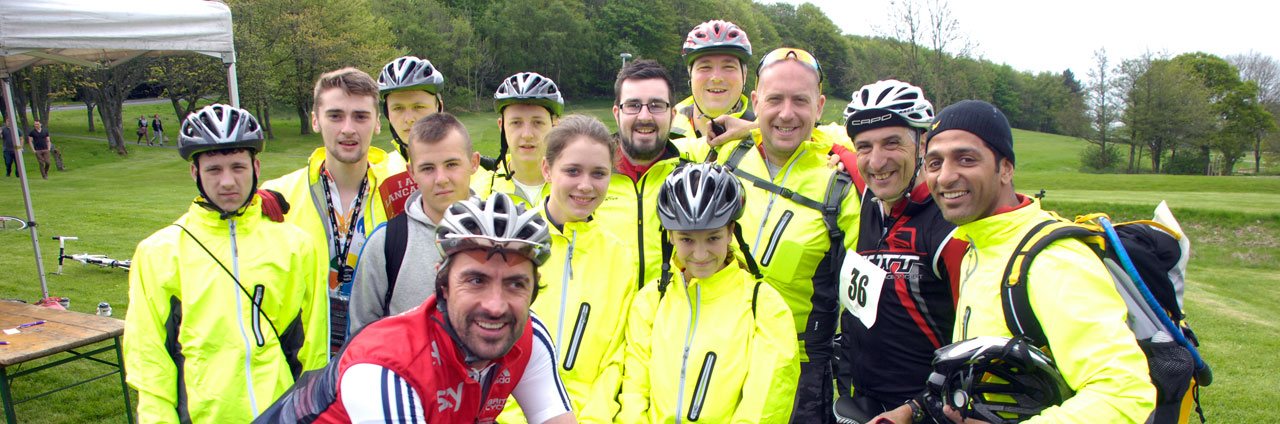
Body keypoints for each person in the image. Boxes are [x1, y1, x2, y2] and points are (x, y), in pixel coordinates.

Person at [872, 100, 1155, 423]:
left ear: (1005, 168)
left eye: (966, 159)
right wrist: (913, 411)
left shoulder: (1052, 260)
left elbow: (1125, 393)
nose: (946, 177)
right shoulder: (978, 247)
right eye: (934, 163)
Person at [254, 192, 576, 424]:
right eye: (476, 280)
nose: (495, 306)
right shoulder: (387, 367)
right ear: (443, 285)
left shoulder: (527, 335)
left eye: (515, 284)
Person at [682, 47, 860, 424]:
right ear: (756, 100)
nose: (786, 112)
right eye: (775, 99)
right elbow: (653, 149)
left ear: (820, 106)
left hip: (800, 368)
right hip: (715, 345)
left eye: (801, 101)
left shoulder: (840, 185)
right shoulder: (723, 155)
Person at [124, 104, 329, 423]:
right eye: (214, 170)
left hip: (280, 413)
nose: (227, 182)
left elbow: (314, 343)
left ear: (256, 167)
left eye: (238, 167)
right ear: (195, 173)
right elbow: (148, 357)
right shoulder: (159, 252)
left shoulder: (296, 245)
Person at [616, 162, 799, 423]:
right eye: (687, 240)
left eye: (713, 238)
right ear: (670, 236)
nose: (700, 255)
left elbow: (765, 405)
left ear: (730, 232)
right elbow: (635, 389)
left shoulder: (765, 306)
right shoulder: (651, 300)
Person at [829, 80, 968, 422]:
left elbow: (973, 349)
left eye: (892, 143)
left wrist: (916, 410)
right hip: (862, 401)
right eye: (864, 147)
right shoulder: (869, 198)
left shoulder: (950, 228)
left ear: (923, 145)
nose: (876, 162)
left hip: (926, 411)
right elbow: (809, 133)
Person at [496, 114, 637, 423]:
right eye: (572, 171)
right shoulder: (510, 242)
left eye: (598, 173)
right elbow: (489, 346)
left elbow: (615, 359)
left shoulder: (621, 257)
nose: (585, 185)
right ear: (547, 169)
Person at [261, 67, 394, 355]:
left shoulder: (400, 195)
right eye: (335, 116)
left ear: (378, 123)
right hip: (303, 368)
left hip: (379, 366)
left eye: (361, 116)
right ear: (315, 120)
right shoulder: (277, 196)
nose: (348, 128)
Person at [347, 112, 478, 336]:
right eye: (427, 168)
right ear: (411, 172)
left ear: (473, 163)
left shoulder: (501, 236)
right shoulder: (386, 243)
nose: (441, 179)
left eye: (451, 164)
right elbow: (361, 337)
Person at [594, 59, 688, 289]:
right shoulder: (589, 180)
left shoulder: (691, 177)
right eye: (633, 105)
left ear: (673, 114)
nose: (644, 116)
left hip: (671, 320)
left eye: (656, 105)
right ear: (617, 113)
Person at [472, 72, 564, 208]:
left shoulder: (577, 189)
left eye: (538, 122)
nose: (527, 135)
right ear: (501, 126)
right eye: (516, 122)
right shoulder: (479, 195)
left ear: (555, 125)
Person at [671, 20, 754, 141]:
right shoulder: (662, 131)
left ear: (744, 75)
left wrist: (755, 131)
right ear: (690, 75)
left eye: (728, 67)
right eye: (705, 67)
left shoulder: (768, 138)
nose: (716, 78)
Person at [376, 55, 444, 174]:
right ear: (388, 114)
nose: (409, 119)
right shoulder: (377, 175)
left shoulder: (479, 176)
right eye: (398, 108)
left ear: (438, 108)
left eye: (419, 107)